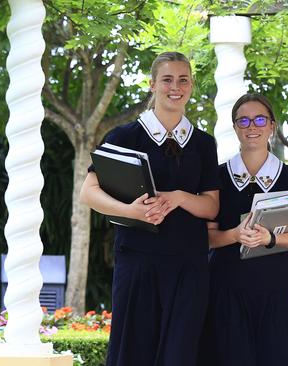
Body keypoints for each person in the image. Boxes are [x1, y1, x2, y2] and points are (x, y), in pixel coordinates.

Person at [79, 51, 220, 366]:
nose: (176, 86)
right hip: (138, 263)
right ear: (152, 84)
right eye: (167, 79)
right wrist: (132, 211)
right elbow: (88, 193)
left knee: (182, 354)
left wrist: (180, 197)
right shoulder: (123, 136)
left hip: (190, 267)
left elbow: (212, 207)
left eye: (183, 79)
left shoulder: (203, 144)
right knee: (134, 352)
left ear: (191, 85)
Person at [197, 93, 288, 366]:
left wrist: (271, 237)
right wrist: (235, 235)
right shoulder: (217, 177)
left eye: (260, 119)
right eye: (244, 120)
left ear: (272, 126)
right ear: (235, 127)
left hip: (275, 294)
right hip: (225, 293)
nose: (252, 126)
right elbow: (205, 237)